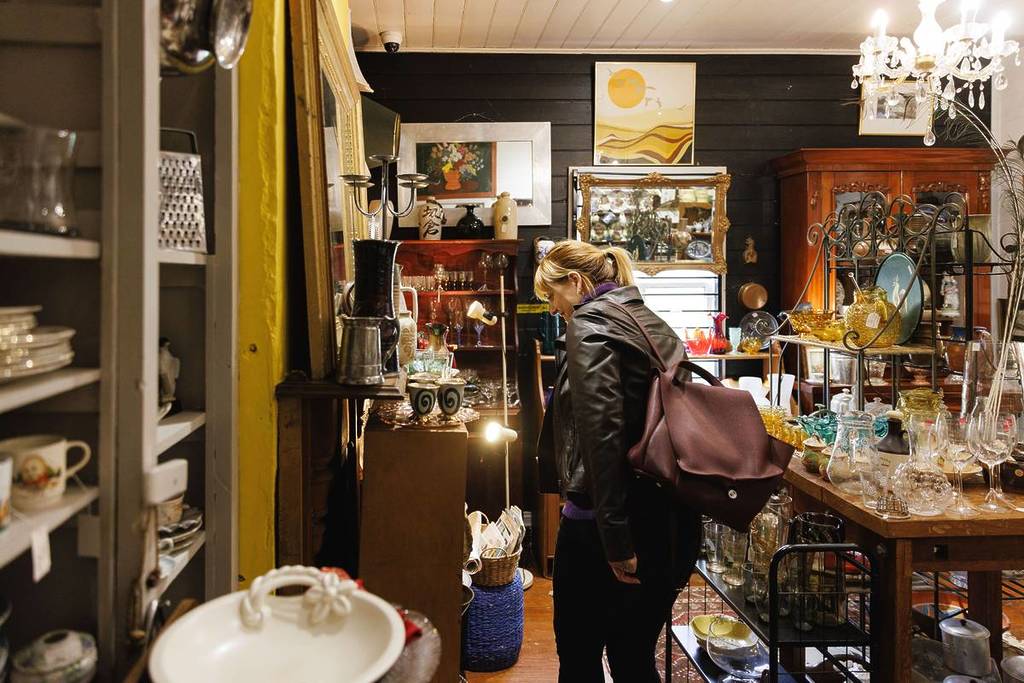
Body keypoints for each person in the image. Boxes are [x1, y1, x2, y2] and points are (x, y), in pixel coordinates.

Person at [535, 241, 702, 682]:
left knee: (579, 659)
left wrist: (616, 542)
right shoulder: (651, 322)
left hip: (603, 525)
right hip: (666, 518)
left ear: (575, 282)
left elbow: (602, 434)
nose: (552, 308)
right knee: (633, 658)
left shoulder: (590, 325)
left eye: (551, 295)